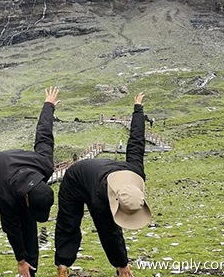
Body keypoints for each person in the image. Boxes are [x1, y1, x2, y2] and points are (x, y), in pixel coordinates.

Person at [55, 93, 152, 277]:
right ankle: (62, 265)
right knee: (69, 223)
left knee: (102, 228)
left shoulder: (135, 171)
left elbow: (137, 142)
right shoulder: (103, 200)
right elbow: (109, 233)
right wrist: (122, 265)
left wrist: (138, 109)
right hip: (75, 179)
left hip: (97, 176)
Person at [0, 86, 59, 277]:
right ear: (27, 198)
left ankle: (32, 273)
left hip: (18, 172)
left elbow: (44, 136)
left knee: (29, 224)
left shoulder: (45, 166)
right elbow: (11, 228)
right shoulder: (8, 194)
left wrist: (48, 106)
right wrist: (20, 260)